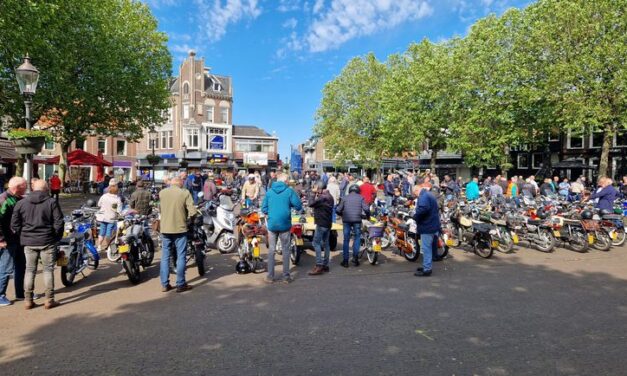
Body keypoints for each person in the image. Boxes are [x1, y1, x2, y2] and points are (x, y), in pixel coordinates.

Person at [11, 180, 64, 309]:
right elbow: (59, 222)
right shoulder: (52, 202)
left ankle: (28, 300)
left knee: (29, 270)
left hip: (28, 242)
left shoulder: (21, 203)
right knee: (48, 270)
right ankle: (49, 300)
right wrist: (56, 237)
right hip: (47, 240)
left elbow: (14, 224)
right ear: (46, 189)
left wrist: (23, 235)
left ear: (33, 188)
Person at [261, 173, 303, 284]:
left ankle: (270, 276)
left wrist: (271, 213)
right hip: (285, 224)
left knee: (271, 250)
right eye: (288, 181)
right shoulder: (289, 191)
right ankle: (286, 276)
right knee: (286, 250)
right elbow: (298, 205)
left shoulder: (269, 192)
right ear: (285, 181)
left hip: (272, 224)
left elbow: (263, 208)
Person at [159, 177, 197, 293]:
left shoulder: (162, 193)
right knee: (181, 256)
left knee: (165, 256)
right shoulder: (184, 193)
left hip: (165, 228)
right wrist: (190, 220)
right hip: (180, 229)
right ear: (180, 183)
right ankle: (181, 284)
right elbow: (193, 211)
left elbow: (160, 209)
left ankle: (165, 284)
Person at [0, 177, 27, 306]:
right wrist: (1, 240)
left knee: (21, 266)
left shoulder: (19, 198)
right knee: (6, 268)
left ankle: (21, 293)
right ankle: (0, 295)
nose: (27, 188)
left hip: (18, 239)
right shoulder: (3, 199)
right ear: (17, 187)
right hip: (7, 241)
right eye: (25, 186)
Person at [336, 184, 369, 268]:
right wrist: (367, 216)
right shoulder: (361, 197)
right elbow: (366, 209)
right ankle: (355, 259)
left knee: (346, 240)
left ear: (350, 190)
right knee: (357, 238)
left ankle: (345, 261)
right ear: (358, 190)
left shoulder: (345, 198)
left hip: (346, 220)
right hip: (357, 220)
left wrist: (342, 214)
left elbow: (338, 210)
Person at [412, 183, 440, 277]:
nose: (414, 196)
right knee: (429, 247)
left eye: (414, 193)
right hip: (433, 225)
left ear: (416, 190)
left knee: (426, 248)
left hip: (427, 226)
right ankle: (426, 266)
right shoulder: (429, 194)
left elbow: (423, 209)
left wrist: (415, 217)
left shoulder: (423, 196)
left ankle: (427, 269)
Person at [307, 181, 334, 275]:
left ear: (320, 188)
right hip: (327, 223)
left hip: (321, 223)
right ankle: (325, 265)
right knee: (326, 244)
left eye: (317, 188)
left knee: (315, 243)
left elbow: (310, 203)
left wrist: (312, 193)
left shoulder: (322, 198)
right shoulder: (329, 196)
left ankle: (319, 265)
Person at [96, 183, 122, 252]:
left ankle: (99, 246)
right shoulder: (117, 199)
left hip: (103, 217)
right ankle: (107, 247)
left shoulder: (104, 196)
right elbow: (119, 210)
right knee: (108, 233)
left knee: (101, 232)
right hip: (111, 218)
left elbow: (99, 204)